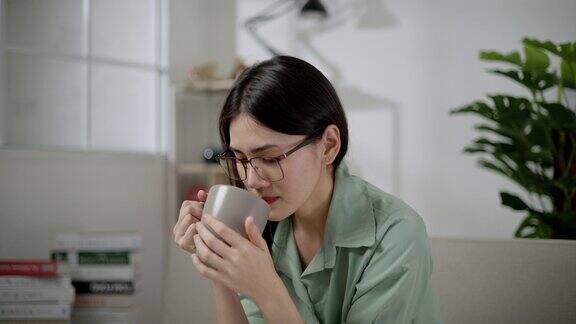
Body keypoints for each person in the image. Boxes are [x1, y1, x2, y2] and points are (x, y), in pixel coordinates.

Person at [173, 56, 442, 324]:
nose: (252, 181)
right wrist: (220, 267)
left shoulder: (396, 235)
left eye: (270, 158)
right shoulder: (263, 223)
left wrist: (267, 291)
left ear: (328, 145)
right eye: (241, 160)